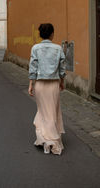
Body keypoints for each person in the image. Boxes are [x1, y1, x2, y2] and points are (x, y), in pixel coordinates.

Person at [28, 23, 66, 155]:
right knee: (52, 112)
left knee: (43, 111)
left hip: (40, 84)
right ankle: (52, 141)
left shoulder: (35, 48)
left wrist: (31, 84)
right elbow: (62, 68)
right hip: (53, 84)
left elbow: (33, 67)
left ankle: (45, 140)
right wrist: (62, 81)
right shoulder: (58, 48)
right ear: (52, 34)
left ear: (40, 35)